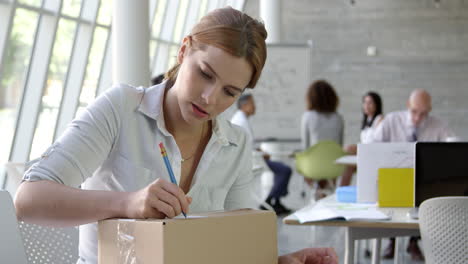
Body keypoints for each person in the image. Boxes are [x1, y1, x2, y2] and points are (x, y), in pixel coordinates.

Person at [14, 7, 337, 264]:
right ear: (184, 50)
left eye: (230, 92)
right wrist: (128, 203)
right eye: (205, 74)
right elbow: (27, 200)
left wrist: (278, 262)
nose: (210, 98)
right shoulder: (122, 108)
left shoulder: (236, 144)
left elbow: (235, 250)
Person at [373, 89, 455, 261]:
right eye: (414, 111)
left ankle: (413, 240)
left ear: (429, 110)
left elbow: (452, 146)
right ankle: (392, 240)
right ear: (407, 106)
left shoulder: (438, 125)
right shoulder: (391, 120)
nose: (418, 118)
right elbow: (373, 147)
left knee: (427, 196)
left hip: (422, 184)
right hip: (393, 180)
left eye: (423, 113)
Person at [231, 94, 293, 215]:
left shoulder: (241, 119)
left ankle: (276, 201)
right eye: (252, 104)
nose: (255, 107)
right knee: (285, 170)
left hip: (253, 158)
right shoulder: (240, 121)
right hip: (251, 161)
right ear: (244, 105)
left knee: (282, 170)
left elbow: (246, 143)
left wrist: (259, 151)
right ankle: (270, 200)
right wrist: (260, 154)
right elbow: (243, 147)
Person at [300, 80, 344, 192]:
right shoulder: (338, 118)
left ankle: (318, 191)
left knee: (303, 162)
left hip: (313, 168)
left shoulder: (307, 117)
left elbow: (306, 148)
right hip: (334, 167)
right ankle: (326, 189)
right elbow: (339, 145)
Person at [340, 91, 384, 186]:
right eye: (365, 102)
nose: (366, 105)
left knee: (349, 150)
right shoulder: (367, 121)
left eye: (370, 102)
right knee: (348, 162)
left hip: (373, 153)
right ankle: (343, 187)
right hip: (365, 152)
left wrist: (357, 148)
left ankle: (342, 186)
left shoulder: (380, 120)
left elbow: (377, 142)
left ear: (377, 104)